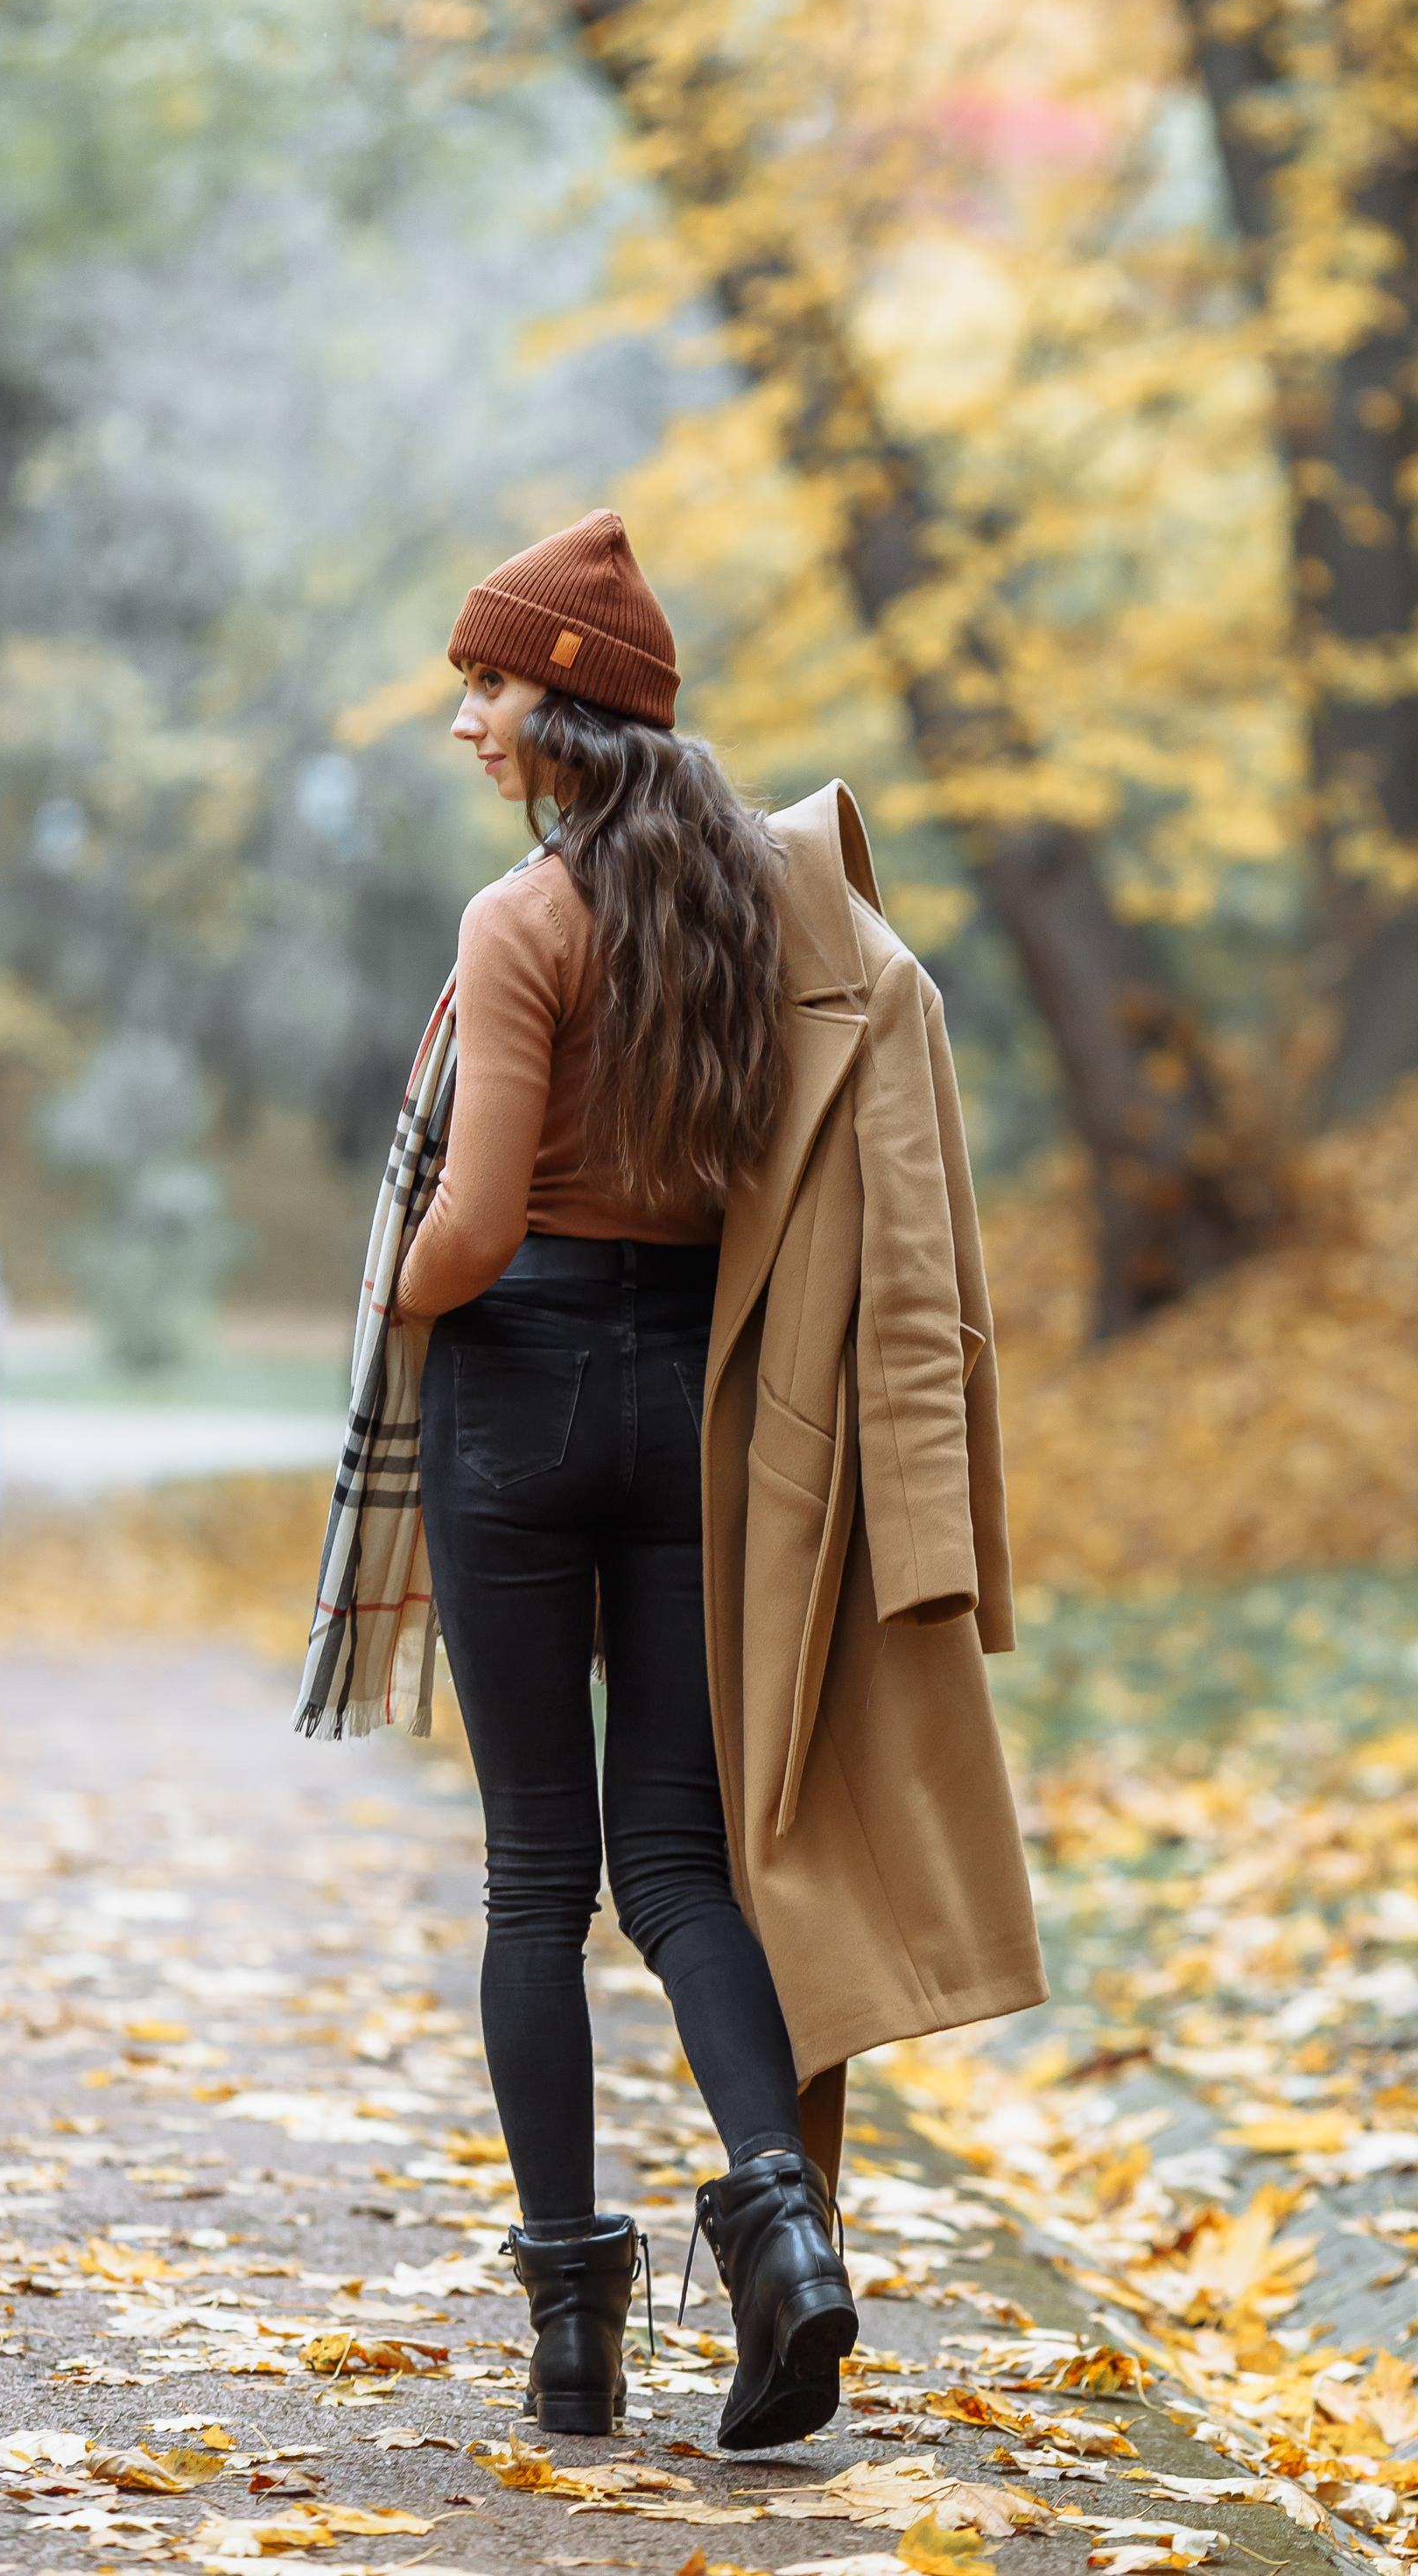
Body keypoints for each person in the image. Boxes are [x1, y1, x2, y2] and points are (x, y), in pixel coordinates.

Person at [298, 509, 1044, 2453]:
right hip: (700, 1396)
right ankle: (786, 2242)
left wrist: (393, 1294)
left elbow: (468, 1221)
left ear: (575, 702)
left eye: (492, 682)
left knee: (535, 1879)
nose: (468, 716)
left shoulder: (521, 923)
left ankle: (571, 2329)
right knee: (683, 1865)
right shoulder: (755, 911)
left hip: (521, 1390)